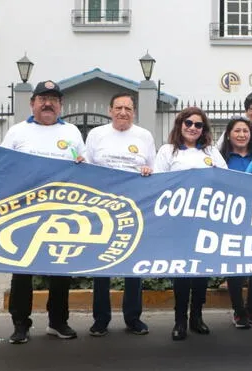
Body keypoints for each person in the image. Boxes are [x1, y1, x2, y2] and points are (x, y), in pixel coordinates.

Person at [0, 80, 86, 344]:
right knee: (22, 271)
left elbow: (84, 166)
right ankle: (21, 324)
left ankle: (58, 321)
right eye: (43, 98)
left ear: (60, 105)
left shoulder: (72, 132)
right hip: (25, 214)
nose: (48, 103)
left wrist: (81, 162)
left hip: (62, 213)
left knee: (60, 268)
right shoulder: (18, 132)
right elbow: (2, 166)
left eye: (53, 99)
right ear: (32, 103)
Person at [154, 107, 227, 341]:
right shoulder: (168, 151)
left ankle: (197, 317)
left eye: (198, 125)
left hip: (205, 221)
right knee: (182, 273)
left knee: (201, 272)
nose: (193, 128)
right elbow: (158, 182)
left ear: (204, 129)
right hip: (179, 222)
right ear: (180, 124)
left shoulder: (212, 152)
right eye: (189, 123)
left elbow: (226, 180)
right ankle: (179, 321)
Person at [85, 92, 155, 337]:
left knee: (132, 267)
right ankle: (100, 319)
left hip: (134, 208)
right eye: (118, 107)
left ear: (134, 111)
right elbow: (86, 169)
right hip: (102, 210)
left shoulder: (144, 136)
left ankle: (133, 318)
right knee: (102, 265)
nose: (123, 112)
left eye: (128, 108)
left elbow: (153, 170)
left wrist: (147, 170)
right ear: (110, 110)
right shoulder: (96, 135)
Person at [219, 116, 252, 329]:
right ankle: (238, 311)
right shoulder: (222, 157)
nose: (242, 135)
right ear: (229, 134)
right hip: (231, 217)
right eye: (237, 131)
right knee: (235, 265)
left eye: (245, 131)